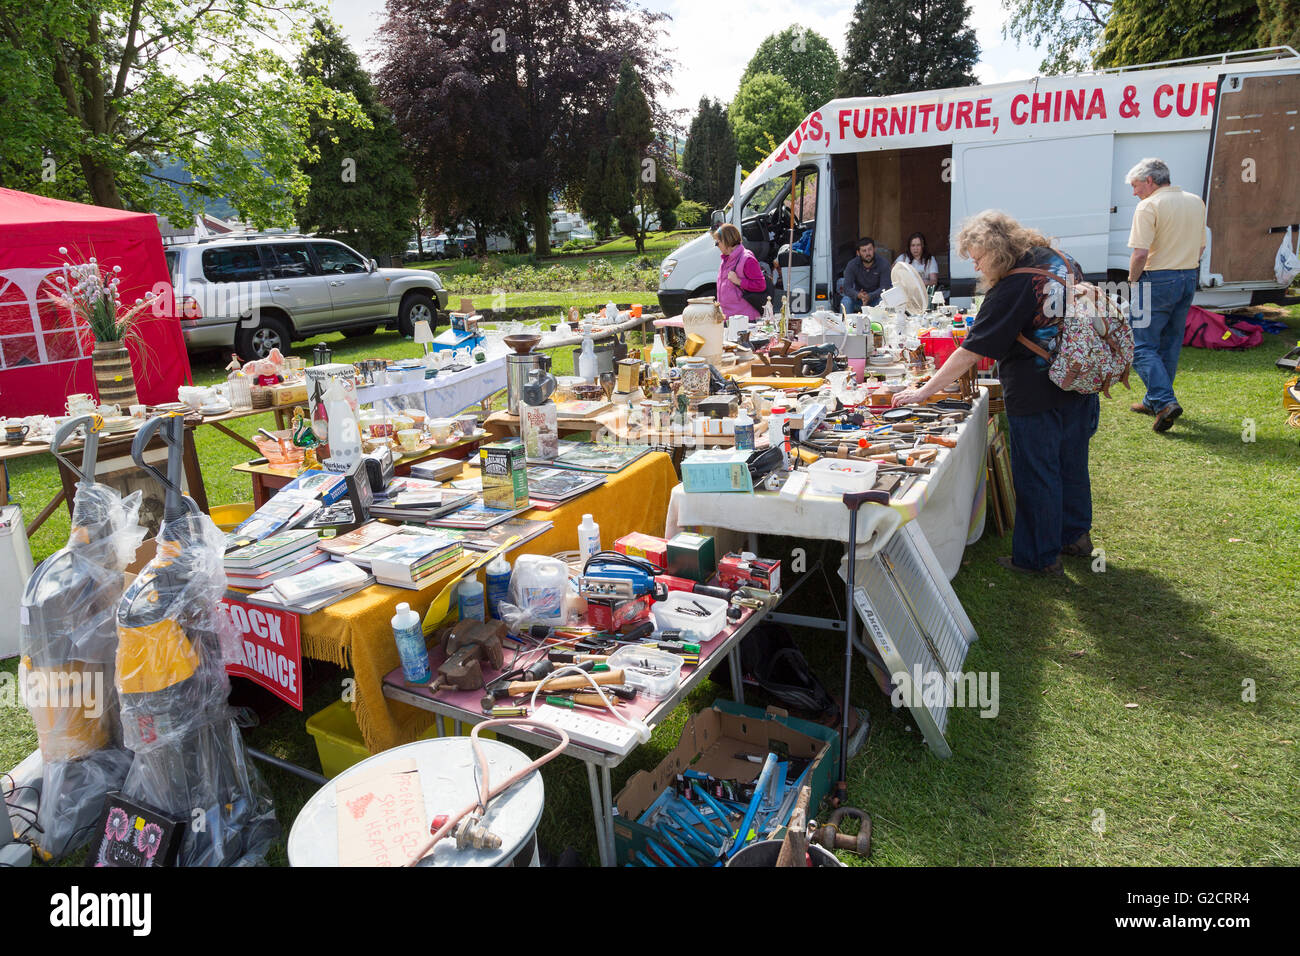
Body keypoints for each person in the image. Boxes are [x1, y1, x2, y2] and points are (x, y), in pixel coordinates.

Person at [892, 210, 1100, 576]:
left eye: (978, 257)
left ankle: (1039, 558)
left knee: (1038, 472)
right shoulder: (1060, 258)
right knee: (1071, 462)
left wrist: (923, 391)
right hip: (1078, 378)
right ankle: (1075, 536)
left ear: (998, 249)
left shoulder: (1012, 285)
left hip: (1037, 390)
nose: (976, 266)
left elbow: (970, 350)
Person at [1125, 157, 1206, 432]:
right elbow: (1201, 248)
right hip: (1188, 275)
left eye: (1135, 186)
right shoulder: (1196, 201)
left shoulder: (1148, 206)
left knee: (1140, 344)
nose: (1134, 192)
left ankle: (1163, 401)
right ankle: (1154, 400)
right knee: (1170, 343)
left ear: (1149, 181)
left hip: (1157, 278)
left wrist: (1132, 281)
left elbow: (1140, 253)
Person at [714, 222, 765, 320]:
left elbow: (761, 285)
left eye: (717, 242)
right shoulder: (726, 259)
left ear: (726, 241)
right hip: (729, 317)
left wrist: (739, 281)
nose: (717, 245)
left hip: (744, 319)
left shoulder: (747, 259)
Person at [840, 237, 892, 313]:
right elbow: (847, 288)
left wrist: (870, 296)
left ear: (874, 249)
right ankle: (845, 324)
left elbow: (885, 287)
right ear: (858, 253)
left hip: (876, 299)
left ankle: (883, 324)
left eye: (870, 249)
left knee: (884, 301)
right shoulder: (852, 264)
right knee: (846, 301)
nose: (867, 253)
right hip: (859, 299)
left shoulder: (883, 263)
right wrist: (858, 295)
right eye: (864, 251)